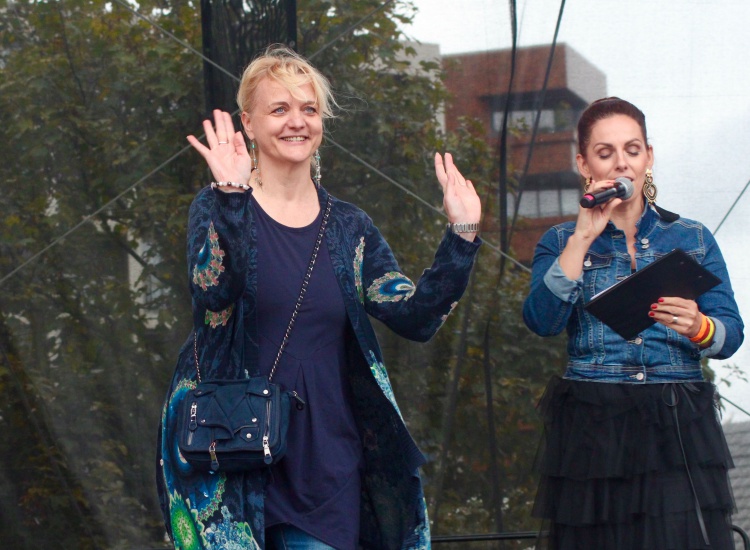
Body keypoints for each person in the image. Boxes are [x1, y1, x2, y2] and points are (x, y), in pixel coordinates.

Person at [156, 44, 481, 550]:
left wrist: (461, 234)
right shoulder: (217, 205)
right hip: (231, 460)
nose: (297, 121)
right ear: (248, 123)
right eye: (279, 108)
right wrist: (231, 199)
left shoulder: (349, 228)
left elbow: (415, 317)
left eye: (309, 109)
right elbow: (213, 293)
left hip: (328, 465)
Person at [523, 97, 743, 549]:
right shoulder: (560, 240)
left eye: (632, 149)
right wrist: (583, 238)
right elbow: (542, 320)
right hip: (594, 419)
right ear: (583, 164)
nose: (621, 162)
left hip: (676, 415)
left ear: (649, 158)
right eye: (605, 153)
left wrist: (699, 327)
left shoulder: (692, 237)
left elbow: (731, 333)